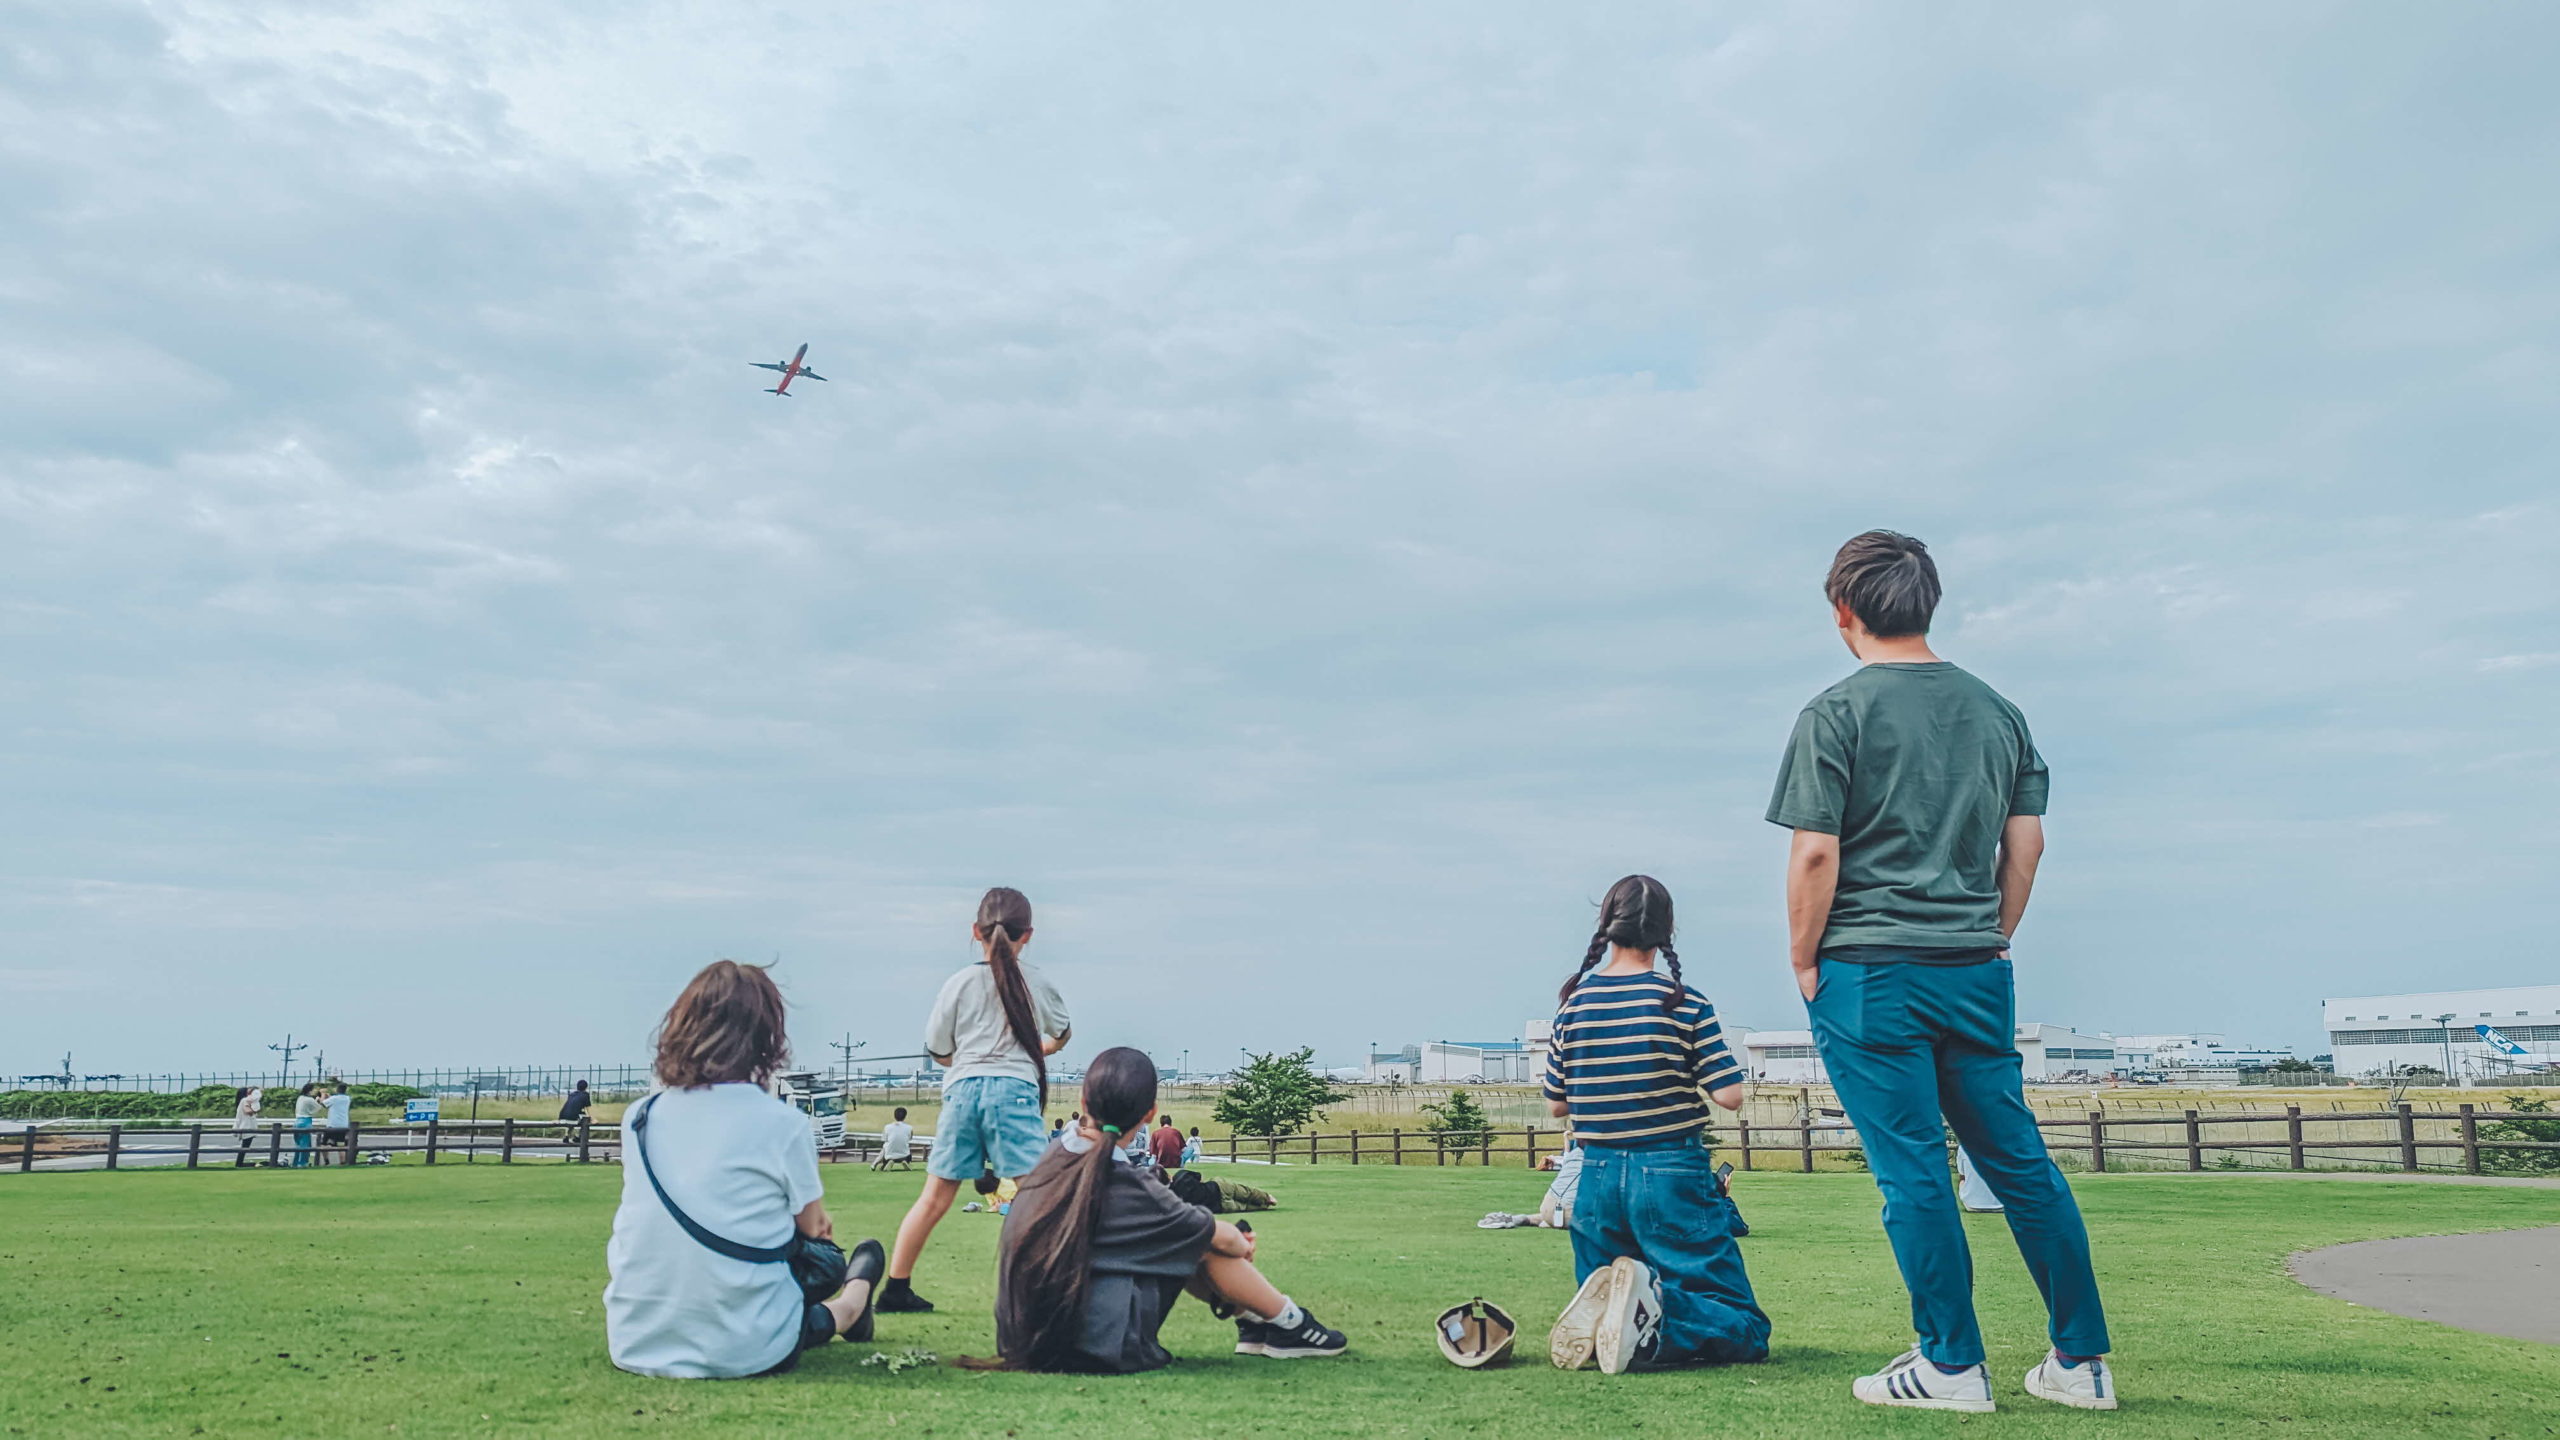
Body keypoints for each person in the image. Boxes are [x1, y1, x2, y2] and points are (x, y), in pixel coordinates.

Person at [1770, 530, 2113, 1412]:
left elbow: (1815, 855)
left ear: (1842, 611)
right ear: (1928, 604)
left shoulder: (1835, 713)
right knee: (2020, 1164)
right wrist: (1993, 934)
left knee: (1913, 1172)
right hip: (1974, 968)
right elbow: (2026, 842)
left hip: (1869, 969)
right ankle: (2081, 1364)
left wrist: (1804, 960)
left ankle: (1952, 1364)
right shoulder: (1999, 712)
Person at [603, 960, 885, 1379]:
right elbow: (812, 1229)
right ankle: (853, 1301)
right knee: (823, 1256)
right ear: (766, 1037)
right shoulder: (783, 1123)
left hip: (635, 1340)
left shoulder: (639, 1117)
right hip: (747, 1350)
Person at [991, 1046, 1346, 1372]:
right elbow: (1224, 1241)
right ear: (1150, 1113)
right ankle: (1290, 1323)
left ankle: (1255, 1320)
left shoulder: (1050, 1159)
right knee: (1201, 1241)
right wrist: (1239, 1240)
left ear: (1084, 1101)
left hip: (1018, 1338)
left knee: (1188, 1234)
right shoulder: (1129, 1184)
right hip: (1089, 1348)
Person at [1543, 875, 1768, 1375]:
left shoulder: (1573, 1005)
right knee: (1744, 1326)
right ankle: (1654, 1312)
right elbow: (1728, 1096)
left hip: (1594, 1173)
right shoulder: (1683, 1001)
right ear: (1667, 930)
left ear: (1606, 925)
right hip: (1671, 1171)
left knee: (1608, 1283)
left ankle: (1618, 1320)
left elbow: (1557, 1105)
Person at [876, 887, 1072, 1315]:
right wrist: (1041, 1048)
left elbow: (938, 1048)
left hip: (962, 1089)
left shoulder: (958, 983)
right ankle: (1046, 1290)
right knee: (1037, 1196)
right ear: (1029, 935)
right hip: (1014, 1091)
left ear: (975, 932)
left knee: (934, 1197)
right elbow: (1060, 1033)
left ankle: (896, 1287)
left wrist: (964, 1059)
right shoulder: (1037, 982)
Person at [322, 1080, 353, 1165]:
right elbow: (334, 1100)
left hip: (332, 1124)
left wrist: (323, 1095)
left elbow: (323, 1104)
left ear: (337, 1089)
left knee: (324, 1144)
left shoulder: (334, 1099)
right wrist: (329, 1097)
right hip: (343, 1125)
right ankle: (342, 1162)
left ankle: (326, 1161)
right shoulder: (347, 1099)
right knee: (341, 1145)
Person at [231, 1086, 263, 1167]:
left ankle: (240, 1163)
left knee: (245, 1146)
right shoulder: (245, 1100)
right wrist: (255, 1110)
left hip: (245, 1126)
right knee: (245, 1147)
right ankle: (239, 1163)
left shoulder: (242, 1101)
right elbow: (247, 1111)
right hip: (247, 1126)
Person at [291, 1083, 320, 1167]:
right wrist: (317, 1100)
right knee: (305, 1144)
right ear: (310, 1090)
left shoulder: (300, 1098)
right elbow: (318, 1108)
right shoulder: (309, 1099)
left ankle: (295, 1163)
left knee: (298, 1144)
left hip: (297, 1121)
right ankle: (303, 1163)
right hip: (305, 1121)